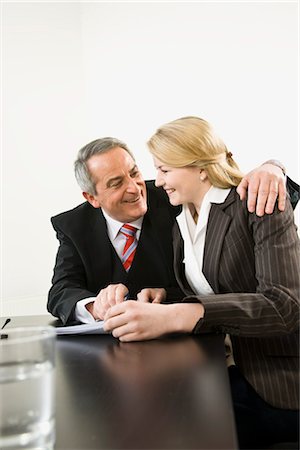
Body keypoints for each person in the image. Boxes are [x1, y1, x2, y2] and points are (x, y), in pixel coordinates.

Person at [103, 117, 299, 449]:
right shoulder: (183, 218)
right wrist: (167, 297)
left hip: (274, 381)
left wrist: (179, 315)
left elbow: (285, 306)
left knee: (169, 430)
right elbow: (217, 289)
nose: (158, 181)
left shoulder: (256, 204)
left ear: (200, 168)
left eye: (164, 170)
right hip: (218, 366)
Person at [48, 136, 291, 326]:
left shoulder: (174, 196)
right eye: (116, 183)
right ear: (92, 197)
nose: (134, 188)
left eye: (134, 173)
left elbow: (232, 186)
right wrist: (94, 306)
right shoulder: (73, 226)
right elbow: (61, 290)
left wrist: (273, 167)